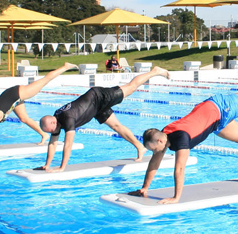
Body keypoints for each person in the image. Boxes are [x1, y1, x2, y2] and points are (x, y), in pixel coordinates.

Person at [132, 52, 238, 205]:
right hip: (215, 120)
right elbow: (154, 163)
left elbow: (179, 169)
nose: (155, 153)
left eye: (154, 149)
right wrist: (145, 187)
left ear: (160, 140)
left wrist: (176, 197)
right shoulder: (165, 133)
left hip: (222, 107)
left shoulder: (180, 139)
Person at [38, 66, 170, 172]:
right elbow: (53, 143)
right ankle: (140, 147)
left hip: (99, 97)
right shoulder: (56, 120)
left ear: (52, 122)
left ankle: (155, 71)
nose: (53, 133)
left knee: (131, 87)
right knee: (116, 126)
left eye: (51, 130)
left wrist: (62, 167)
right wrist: (47, 164)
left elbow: (68, 144)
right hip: (94, 109)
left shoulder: (67, 118)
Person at [0, 63, 77, 151]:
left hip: (18, 93)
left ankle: (65, 66)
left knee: (45, 80)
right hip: (12, 100)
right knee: (24, 119)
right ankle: (44, 134)